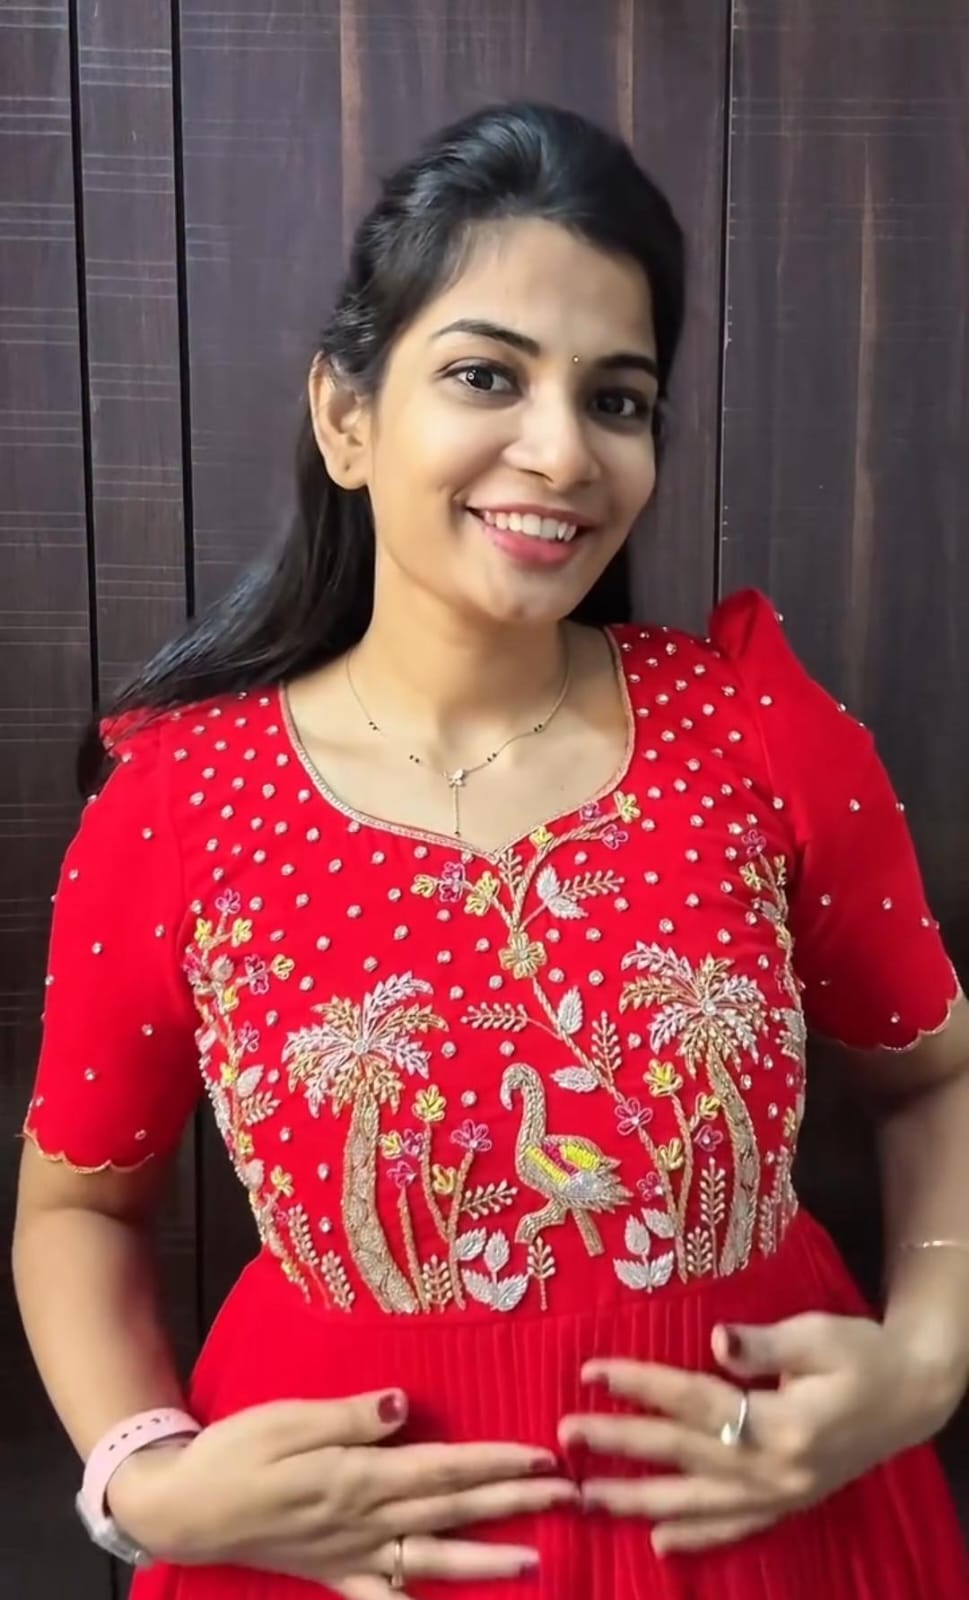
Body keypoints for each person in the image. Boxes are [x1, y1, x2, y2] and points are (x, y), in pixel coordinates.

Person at [12, 100, 969, 1600]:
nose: (561, 450)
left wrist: (925, 1359)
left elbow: (935, 1077)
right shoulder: (179, 804)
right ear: (345, 416)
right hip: (331, 1557)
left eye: (618, 399)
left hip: (774, 1533)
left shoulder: (758, 735)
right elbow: (78, 1205)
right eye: (485, 374)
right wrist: (145, 1482)